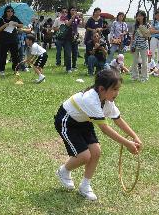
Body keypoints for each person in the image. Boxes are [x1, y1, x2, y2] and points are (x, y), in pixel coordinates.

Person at [54, 69, 142, 201]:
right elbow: (105, 129)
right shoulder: (91, 99)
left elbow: (117, 119)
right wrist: (127, 143)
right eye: (114, 89)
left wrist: (135, 136)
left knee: (96, 152)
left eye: (118, 89)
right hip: (67, 121)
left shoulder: (107, 101)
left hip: (84, 120)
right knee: (84, 156)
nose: (117, 93)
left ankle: (85, 186)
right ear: (101, 89)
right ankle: (64, 171)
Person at [0, 5, 23, 75]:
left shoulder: (15, 18)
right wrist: (4, 25)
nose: (10, 12)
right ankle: (1, 70)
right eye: (8, 11)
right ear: (5, 12)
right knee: (3, 55)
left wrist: (16, 24)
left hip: (14, 39)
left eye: (11, 11)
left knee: (15, 56)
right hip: (4, 40)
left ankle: (16, 70)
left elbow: (21, 25)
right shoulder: (1, 19)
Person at [130, 10, 150, 82]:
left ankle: (144, 77)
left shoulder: (147, 25)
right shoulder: (135, 25)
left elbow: (147, 37)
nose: (139, 17)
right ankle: (134, 76)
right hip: (135, 45)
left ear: (144, 17)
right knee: (134, 61)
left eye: (140, 16)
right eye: (138, 16)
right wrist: (131, 45)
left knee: (144, 62)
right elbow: (132, 36)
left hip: (144, 45)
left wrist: (142, 31)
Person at [53, 7, 74, 73]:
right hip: (59, 38)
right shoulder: (57, 19)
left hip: (67, 39)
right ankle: (58, 63)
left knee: (68, 53)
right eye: (63, 12)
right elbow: (54, 28)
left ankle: (68, 67)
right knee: (58, 51)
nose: (64, 13)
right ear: (61, 13)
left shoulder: (69, 19)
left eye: (66, 12)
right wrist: (60, 28)